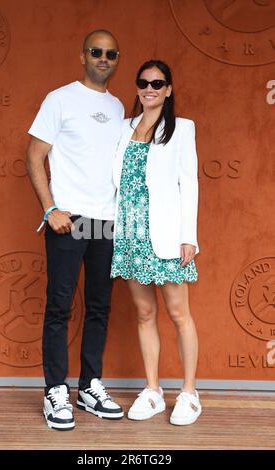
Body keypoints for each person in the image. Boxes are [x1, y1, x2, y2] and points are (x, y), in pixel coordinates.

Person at [27, 29, 125, 430]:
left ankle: (89, 386)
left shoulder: (120, 106)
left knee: (100, 308)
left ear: (116, 60)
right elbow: (34, 157)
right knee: (60, 306)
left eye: (111, 53)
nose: (104, 58)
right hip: (69, 221)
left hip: (107, 222)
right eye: (97, 52)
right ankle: (55, 390)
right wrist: (50, 208)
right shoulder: (60, 98)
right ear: (83, 56)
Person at [111, 60, 201, 425]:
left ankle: (189, 393)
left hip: (165, 234)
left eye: (157, 82)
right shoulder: (123, 128)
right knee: (145, 313)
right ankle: (153, 390)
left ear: (168, 89)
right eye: (144, 82)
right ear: (137, 87)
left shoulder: (181, 129)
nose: (150, 88)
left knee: (179, 314)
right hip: (130, 233)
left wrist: (188, 237)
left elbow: (189, 183)